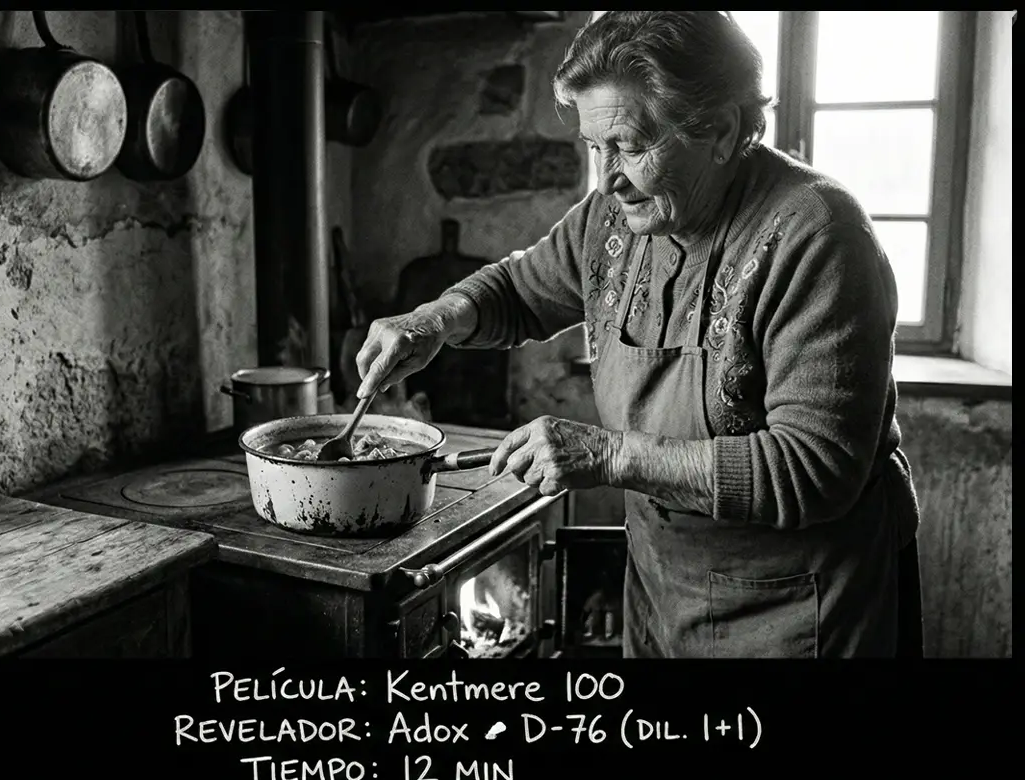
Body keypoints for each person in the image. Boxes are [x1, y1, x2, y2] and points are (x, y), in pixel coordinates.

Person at [354, 10, 923, 659]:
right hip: (662, 586)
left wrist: (611, 458)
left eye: (628, 145)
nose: (607, 179)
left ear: (720, 130)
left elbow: (814, 469)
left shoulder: (817, 236)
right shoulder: (613, 216)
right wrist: (433, 320)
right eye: (594, 147)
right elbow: (518, 289)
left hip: (801, 608)